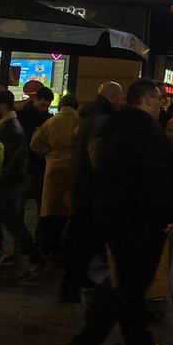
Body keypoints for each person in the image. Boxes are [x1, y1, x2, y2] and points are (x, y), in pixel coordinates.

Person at [56, 78, 173, 345]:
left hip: (113, 216)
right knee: (131, 282)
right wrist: (168, 215)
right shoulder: (147, 132)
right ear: (149, 100)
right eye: (160, 99)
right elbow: (156, 180)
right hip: (139, 220)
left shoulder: (111, 127)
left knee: (129, 280)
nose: (163, 105)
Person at [58, 81, 123, 303]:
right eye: (120, 98)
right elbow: (97, 159)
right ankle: (71, 285)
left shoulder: (86, 114)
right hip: (91, 188)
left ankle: (77, 279)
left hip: (81, 184)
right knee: (84, 237)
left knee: (82, 235)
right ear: (114, 98)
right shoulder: (103, 120)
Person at [0, 89, 44, 278]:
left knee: (15, 223)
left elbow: (9, 161)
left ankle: (36, 258)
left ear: (3, 106)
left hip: (8, 185)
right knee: (12, 223)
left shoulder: (11, 128)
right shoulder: (8, 125)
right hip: (9, 183)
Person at [30, 93, 80, 258]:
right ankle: (63, 245)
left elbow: (35, 144)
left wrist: (48, 153)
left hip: (53, 166)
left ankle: (46, 243)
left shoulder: (50, 122)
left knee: (50, 207)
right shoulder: (79, 122)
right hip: (72, 167)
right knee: (68, 206)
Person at [18, 83, 54, 211]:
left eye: (47, 106)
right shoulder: (49, 119)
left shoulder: (21, 116)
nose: (44, 109)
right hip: (33, 166)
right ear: (35, 100)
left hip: (32, 166)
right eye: (42, 105)